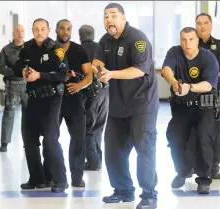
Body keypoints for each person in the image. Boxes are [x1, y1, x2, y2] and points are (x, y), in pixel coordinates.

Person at [92, 3, 159, 209]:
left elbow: (139, 70)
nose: (109, 20)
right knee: (113, 149)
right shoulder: (105, 40)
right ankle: (123, 191)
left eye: (113, 15)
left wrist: (111, 74)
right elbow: (96, 61)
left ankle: (149, 195)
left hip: (142, 104)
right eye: (105, 16)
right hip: (118, 104)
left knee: (144, 149)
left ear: (123, 18)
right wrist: (99, 69)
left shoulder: (137, 39)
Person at [14, 18, 68, 193]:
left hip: (51, 100)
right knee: (29, 140)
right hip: (33, 99)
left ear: (48, 30)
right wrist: (21, 71)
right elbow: (17, 66)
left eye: (43, 29)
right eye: (36, 29)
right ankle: (37, 179)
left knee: (51, 140)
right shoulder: (26, 48)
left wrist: (39, 75)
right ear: (32, 30)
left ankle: (60, 180)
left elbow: (62, 75)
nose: (39, 32)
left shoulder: (57, 50)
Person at [162, 27, 219, 194]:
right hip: (181, 107)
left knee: (203, 139)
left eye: (191, 39)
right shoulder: (175, 52)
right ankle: (183, 170)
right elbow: (166, 70)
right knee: (174, 137)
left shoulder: (208, 58)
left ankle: (203, 179)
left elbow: (208, 85)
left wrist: (190, 87)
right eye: (184, 40)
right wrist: (173, 82)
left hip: (204, 107)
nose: (187, 43)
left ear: (198, 41)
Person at [52, 19, 92, 187]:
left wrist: (79, 85)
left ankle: (77, 176)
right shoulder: (49, 49)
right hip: (53, 100)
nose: (65, 32)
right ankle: (55, 177)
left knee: (78, 138)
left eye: (68, 29)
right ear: (56, 30)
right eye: (62, 28)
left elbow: (89, 75)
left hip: (75, 100)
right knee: (51, 138)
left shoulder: (79, 50)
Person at [195, 13, 220, 179]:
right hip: (193, 94)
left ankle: (215, 166)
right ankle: (196, 165)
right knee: (194, 131)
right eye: (199, 23)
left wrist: (209, 79)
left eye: (205, 23)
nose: (202, 26)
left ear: (211, 25)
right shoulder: (191, 44)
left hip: (212, 94)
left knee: (214, 132)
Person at [79, 24, 109, 170]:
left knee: (87, 128)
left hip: (90, 95)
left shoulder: (79, 50)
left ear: (80, 35)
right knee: (99, 127)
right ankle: (98, 159)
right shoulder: (101, 49)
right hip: (105, 93)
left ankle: (93, 161)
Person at [0, 24, 28, 152]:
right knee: (9, 113)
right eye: (17, 31)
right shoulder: (6, 50)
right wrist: (13, 71)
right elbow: (0, 66)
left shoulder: (31, 48)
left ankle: (28, 142)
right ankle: (4, 143)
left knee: (29, 115)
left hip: (27, 86)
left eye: (22, 31)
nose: (20, 34)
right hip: (12, 85)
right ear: (13, 34)